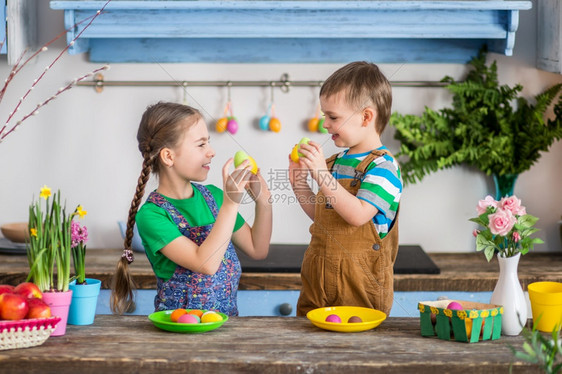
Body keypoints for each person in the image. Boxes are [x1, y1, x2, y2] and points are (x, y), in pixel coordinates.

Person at [111, 102, 272, 316]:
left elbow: (257, 249)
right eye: (201, 145)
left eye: (209, 143)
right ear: (169, 156)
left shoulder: (215, 197)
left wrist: (264, 201)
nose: (211, 152)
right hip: (179, 334)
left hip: (225, 328)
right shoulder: (152, 215)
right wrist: (231, 204)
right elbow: (204, 263)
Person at [289, 62, 402, 316]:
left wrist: (320, 175)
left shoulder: (384, 168)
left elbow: (357, 215)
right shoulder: (335, 163)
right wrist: (299, 183)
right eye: (324, 117)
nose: (325, 125)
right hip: (316, 284)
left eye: (333, 117)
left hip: (359, 289)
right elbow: (324, 217)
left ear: (366, 117)